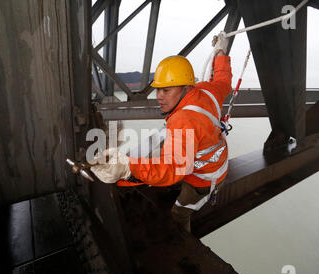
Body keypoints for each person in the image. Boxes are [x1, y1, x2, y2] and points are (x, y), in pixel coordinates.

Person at [91, 32, 232, 233]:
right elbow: (223, 80)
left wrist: (128, 168)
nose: (159, 96)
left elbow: (173, 169)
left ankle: (183, 246)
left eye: (166, 90)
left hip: (204, 179)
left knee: (178, 214)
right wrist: (221, 52)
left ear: (185, 87)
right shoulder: (207, 90)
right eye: (158, 90)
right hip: (215, 161)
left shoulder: (183, 121)